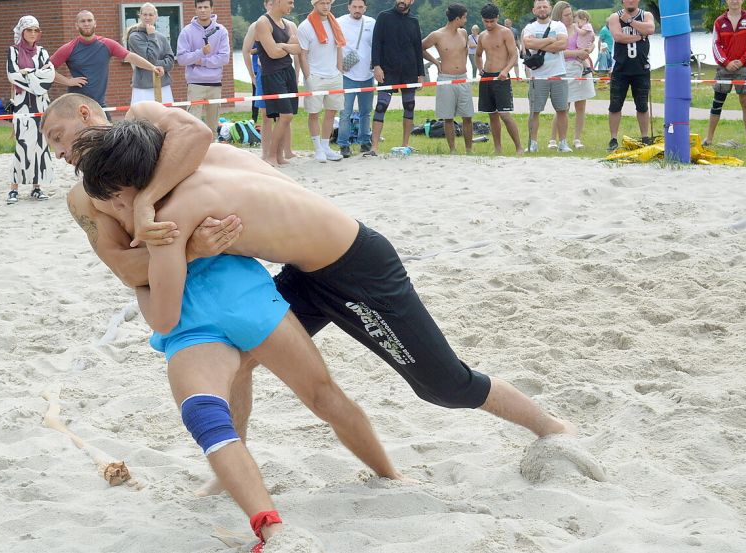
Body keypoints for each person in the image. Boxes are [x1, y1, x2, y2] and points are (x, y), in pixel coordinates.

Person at [43, 92, 584, 507]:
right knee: (240, 362)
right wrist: (168, 235)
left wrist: (156, 228)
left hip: (356, 268)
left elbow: (158, 294)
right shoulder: (167, 153)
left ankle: (551, 428)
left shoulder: (174, 190)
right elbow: (181, 155)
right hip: (306, 270)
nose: (63, 155)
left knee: (444, 385)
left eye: (61, 138)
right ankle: (234, 468)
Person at [56, 103, 403, 550]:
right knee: (321, 395)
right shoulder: (140, 170)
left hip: (197, 311)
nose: (60, 150)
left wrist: (164, 261)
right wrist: (184, 247)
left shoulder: (147, 180)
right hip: (242, 293)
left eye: (57, 135)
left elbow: (155, 304)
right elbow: (128, 262)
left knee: (208, 415)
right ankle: (388, 473)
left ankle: (272, 528)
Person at [50, 10, 158, 109]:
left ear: (95, 23)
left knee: (108, 129)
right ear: (76, 26)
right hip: (76, 104)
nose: (86, 24)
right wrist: (68, 81)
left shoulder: (107, 44)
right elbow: (46, 70)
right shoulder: (69, 48)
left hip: (99, 103)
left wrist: (152, 67)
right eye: (82, 21)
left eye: (89, 20)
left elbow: (130, 57)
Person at [6, 16, 55, 204]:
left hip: (42, 105)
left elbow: (49, 76)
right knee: (22, 145)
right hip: (22, 105)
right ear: (22, 31)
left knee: (41, 146)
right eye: (29, 30)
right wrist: (36, 78)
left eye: (36, 30)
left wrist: (27, 73)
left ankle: (37, 187)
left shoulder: (42, 52)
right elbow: (12, 75)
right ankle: (14, 189)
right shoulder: (13, 51)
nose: (33, 34)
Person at [369, 0, 426, 157]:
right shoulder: (384, 17)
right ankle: (374, 147)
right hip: (388, 71)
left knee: (409, 106)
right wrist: (376, 66)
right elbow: (376, 43)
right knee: (381, 106)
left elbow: (417, 49)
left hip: (409, 71)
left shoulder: (414, 21)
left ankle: (405, 144)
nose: (401, 1)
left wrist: (421, 74)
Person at [705, 0, 746, 148]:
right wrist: (726, 62)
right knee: (717, 103)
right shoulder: (719, 21)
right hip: (724, 68)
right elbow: (715, 44)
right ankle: (709, 139)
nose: (734, 1)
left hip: (744, 68)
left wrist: (742, 61)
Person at [422, 3, 475, 154]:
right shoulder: (437, 35)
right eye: (464, 17)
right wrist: (435, 62)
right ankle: (452, 149)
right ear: (457, 18)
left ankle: (469, 149)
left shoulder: (463, 33)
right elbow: (421, 47)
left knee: (467, 115)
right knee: (448, 117)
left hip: (463, 78)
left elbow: (464, 52)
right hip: (446, 77)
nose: (465, 20)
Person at [297, 0, 345, 162]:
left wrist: (339, 70)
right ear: (314, 4)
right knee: (314, 113)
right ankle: (317, 148)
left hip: (334, 75)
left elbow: (339, 47)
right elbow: (302, 54)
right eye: (322, 3)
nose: (326, 6)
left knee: (332, 111)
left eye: (328, 3)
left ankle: (325, 146)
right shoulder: (305, 26)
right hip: (315, 76)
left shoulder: (334, 23)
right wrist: (308, 77)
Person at [255, 0, 301, 166]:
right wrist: (287, 46)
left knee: (287, 118)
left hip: (287, 71)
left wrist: (282, 45)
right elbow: (273, 53)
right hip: (272, 73)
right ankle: (271, 155)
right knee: (284, 115)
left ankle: (280, 156)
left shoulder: (286, 24)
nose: (292, 6)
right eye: (290, 2)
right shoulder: (263, 23)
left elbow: (299, 48)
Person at [606, 0, 655, 151]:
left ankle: (645, 136)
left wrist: (630, 22)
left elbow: (651, 29)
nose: (630, 1)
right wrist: (640, 36)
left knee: (642, 104)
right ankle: (613, 138)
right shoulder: (615, 17)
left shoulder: (646, 14)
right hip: (621, 68)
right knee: (615, 105)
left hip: (641, 68)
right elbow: (618, 37)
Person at [522, 0, 569, 153]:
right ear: (533, 10)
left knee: (562, 109)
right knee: (534, 111)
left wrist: (539, 44)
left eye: (544, 6)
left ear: (549, 8)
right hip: (538, 76)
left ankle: (563, 143)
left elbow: (562, 45)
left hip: (558, 73)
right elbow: (528, 44)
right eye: (539, 7)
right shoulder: (529, 28)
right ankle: (533, 143)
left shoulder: (559, 25)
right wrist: (549, 40)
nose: (542, 9)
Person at [177, 0, 230, 136]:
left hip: (215, 83)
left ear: (212, 9)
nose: (203, 10)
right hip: (195, 84)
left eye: (206, 7)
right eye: (199, 7)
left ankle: (210, 154)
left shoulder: (221, 30)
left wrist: (201, 61)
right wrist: (200, 52)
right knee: (193, 126)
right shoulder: (186, 31)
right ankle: (193, 155)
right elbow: (182, 59)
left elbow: (224, 58)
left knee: (212, 126)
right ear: (195, 9)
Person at [477, 3, 524, 155]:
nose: (489, 24)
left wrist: (505, 70)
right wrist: (479, 68)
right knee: (492, 114)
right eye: (486, 21)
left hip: (501, 77)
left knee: (504, 114)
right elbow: (477, 55)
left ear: (497, 18)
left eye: (492, 21)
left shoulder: (506, 32)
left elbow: (514, 54)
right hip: (487, 77)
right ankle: (498, 148)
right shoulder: (482, 35)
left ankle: (519, 147)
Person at [336, 0, 376, 158]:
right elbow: (334, 45)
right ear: (348, 7)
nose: (357, 10)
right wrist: (338, 64)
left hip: (368, 74)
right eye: (354, 7)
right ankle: (343, 145)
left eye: (360, 7)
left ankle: (365, 141)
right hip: (347, 74)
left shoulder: (372, 23)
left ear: (365, 8)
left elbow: (377, 45)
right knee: (345, 112)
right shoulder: (339, 22)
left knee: (366, 112)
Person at [552, 2, 594, 150]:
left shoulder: (580, 27)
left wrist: (589, 49)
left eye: (571, 13)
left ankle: (577, 138)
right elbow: (557, 52)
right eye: (566, 15)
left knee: (581, 105)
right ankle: (553, 138)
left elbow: (590, 40)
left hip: (581, 67)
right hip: (566, 68)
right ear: (559, 16)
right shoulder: (556, 31)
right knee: (563, 106)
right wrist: (577, 53)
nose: (570, 17)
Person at [126, 3, 173, 104]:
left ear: (156, 16)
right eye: (145, 14)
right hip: (144, 87)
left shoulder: (161, 37)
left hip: (163, 85)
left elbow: (170, 62)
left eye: (151, 15)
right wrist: (151, 35)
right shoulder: (134, 37)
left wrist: (154, 64)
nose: (148, 17)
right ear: (140, 16)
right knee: (144, 119)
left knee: (166, 117)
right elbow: (149, 59)